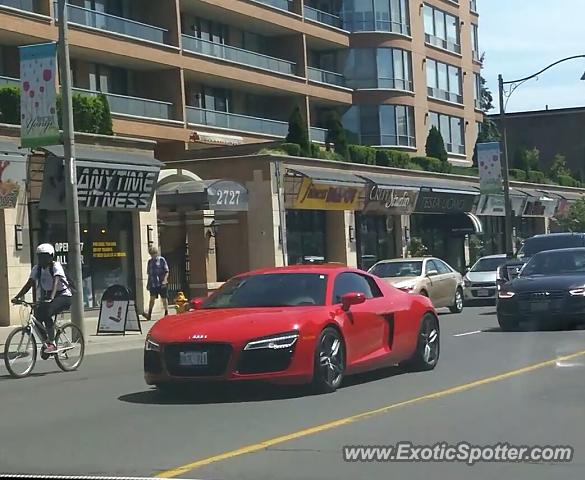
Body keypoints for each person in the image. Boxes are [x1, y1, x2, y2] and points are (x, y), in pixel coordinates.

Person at [12, 243, 73, 353]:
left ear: (51, 256)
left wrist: (51, 297)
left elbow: (56, 281)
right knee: (37, 317)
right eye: (40, 256)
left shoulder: (56, 266)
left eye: (45, 256)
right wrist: (17, 297)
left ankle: (52, 342)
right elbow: (29, 284)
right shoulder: (37, 268)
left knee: (47, 312)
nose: (42, 259)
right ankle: (46, 342)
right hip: (49, 296)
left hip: (63, 295)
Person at [144, 246, 169, 320]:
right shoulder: (150, 262)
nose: (153, 256)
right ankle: (149, 314)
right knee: (152, 299)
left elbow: (166, 271)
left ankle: (166, 312)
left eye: (154, 254)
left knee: (164, 298)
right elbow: (149, 274)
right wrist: (148, 284)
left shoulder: (161, 260)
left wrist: (164, 280)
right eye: (151, 254)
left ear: (156, 253)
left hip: (161, 283)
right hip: (153, 283)